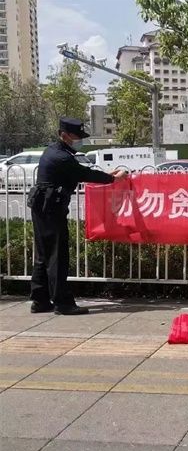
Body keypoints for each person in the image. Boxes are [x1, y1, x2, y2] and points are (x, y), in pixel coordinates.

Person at [28, 117, 128, 315]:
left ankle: (40, 300)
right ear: (64, 135)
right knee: (57, 256)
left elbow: (80, 172)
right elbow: (84, 174)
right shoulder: (62, 157)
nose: (79, 140)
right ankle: (63, 303)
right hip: (51, 210)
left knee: (44, 255)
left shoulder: (54, 151)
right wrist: (113, 178)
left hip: (43, 208)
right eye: (76, 136)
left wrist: (108, 175)